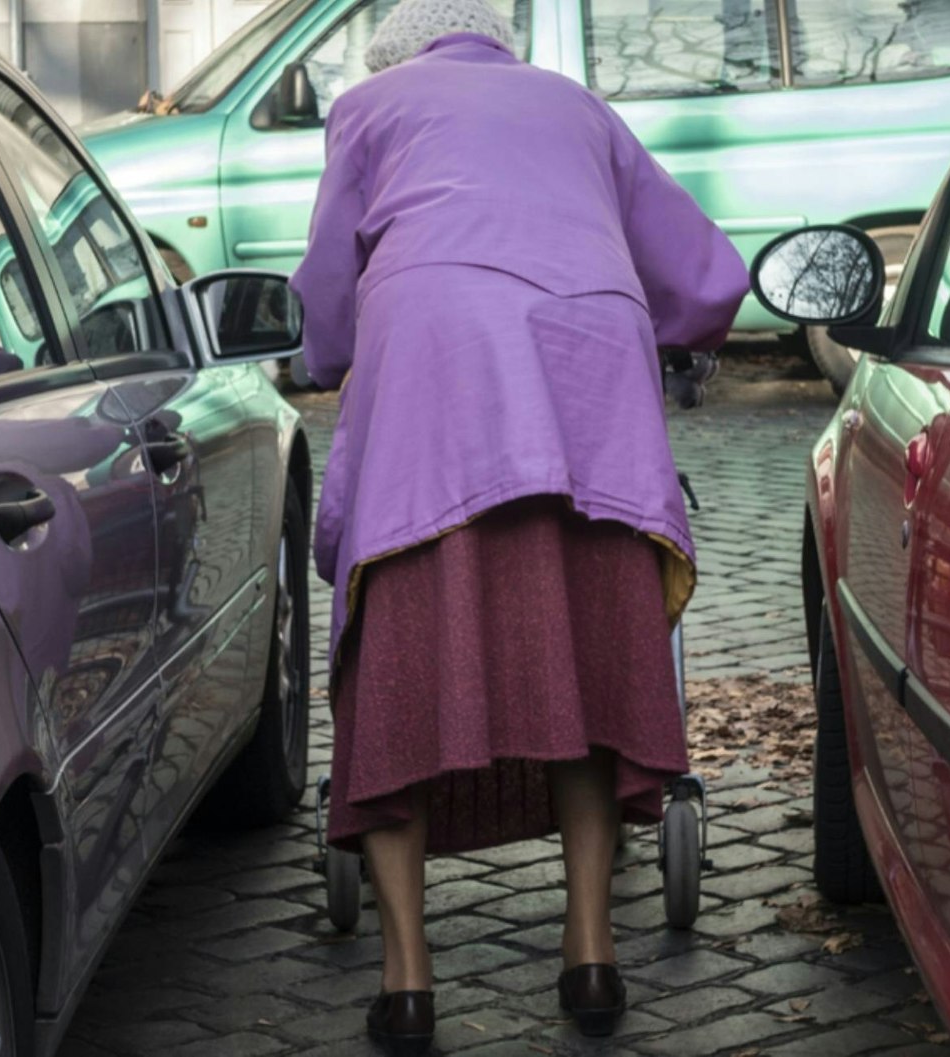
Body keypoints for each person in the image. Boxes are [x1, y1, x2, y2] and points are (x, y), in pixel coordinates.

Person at [290, 0, 749, 1050]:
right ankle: (590, 953)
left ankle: (407, 983)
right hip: (589, 389)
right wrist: (668, 334)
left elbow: (327, 294)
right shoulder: (575, 104)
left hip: (432, 389)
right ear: (499, 44)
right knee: (586, 667)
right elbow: (706, 276)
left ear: (394, 52)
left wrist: (326, 359)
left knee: (399, 673)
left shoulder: (368, 107)